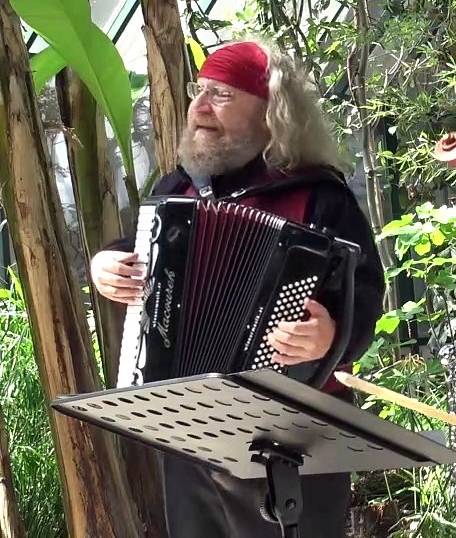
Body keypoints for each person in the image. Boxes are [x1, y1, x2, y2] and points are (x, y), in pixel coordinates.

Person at [89, 40, 385, 538]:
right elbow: (139, 252)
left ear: (272, 113)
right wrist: (105, 264)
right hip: (187, 427)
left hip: (293, 436)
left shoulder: (319, 195)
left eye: (221, 95)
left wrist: (329, 335)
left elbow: (365, 297)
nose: (200, 108)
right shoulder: (176, 191)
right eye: (199, 91)